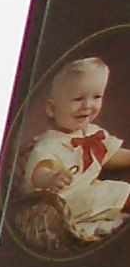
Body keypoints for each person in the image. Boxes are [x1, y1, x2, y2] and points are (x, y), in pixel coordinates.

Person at [21, 56, 130, 243]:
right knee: (114, 192)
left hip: (85, 195)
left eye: (96, 97)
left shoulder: (93, 133)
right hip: (60, 204)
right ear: (52, 108)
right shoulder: (50, 143)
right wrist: (51, 178)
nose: (88, 105)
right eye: (78, 99)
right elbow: (40, 170)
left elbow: (113, 157)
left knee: (111, 191)